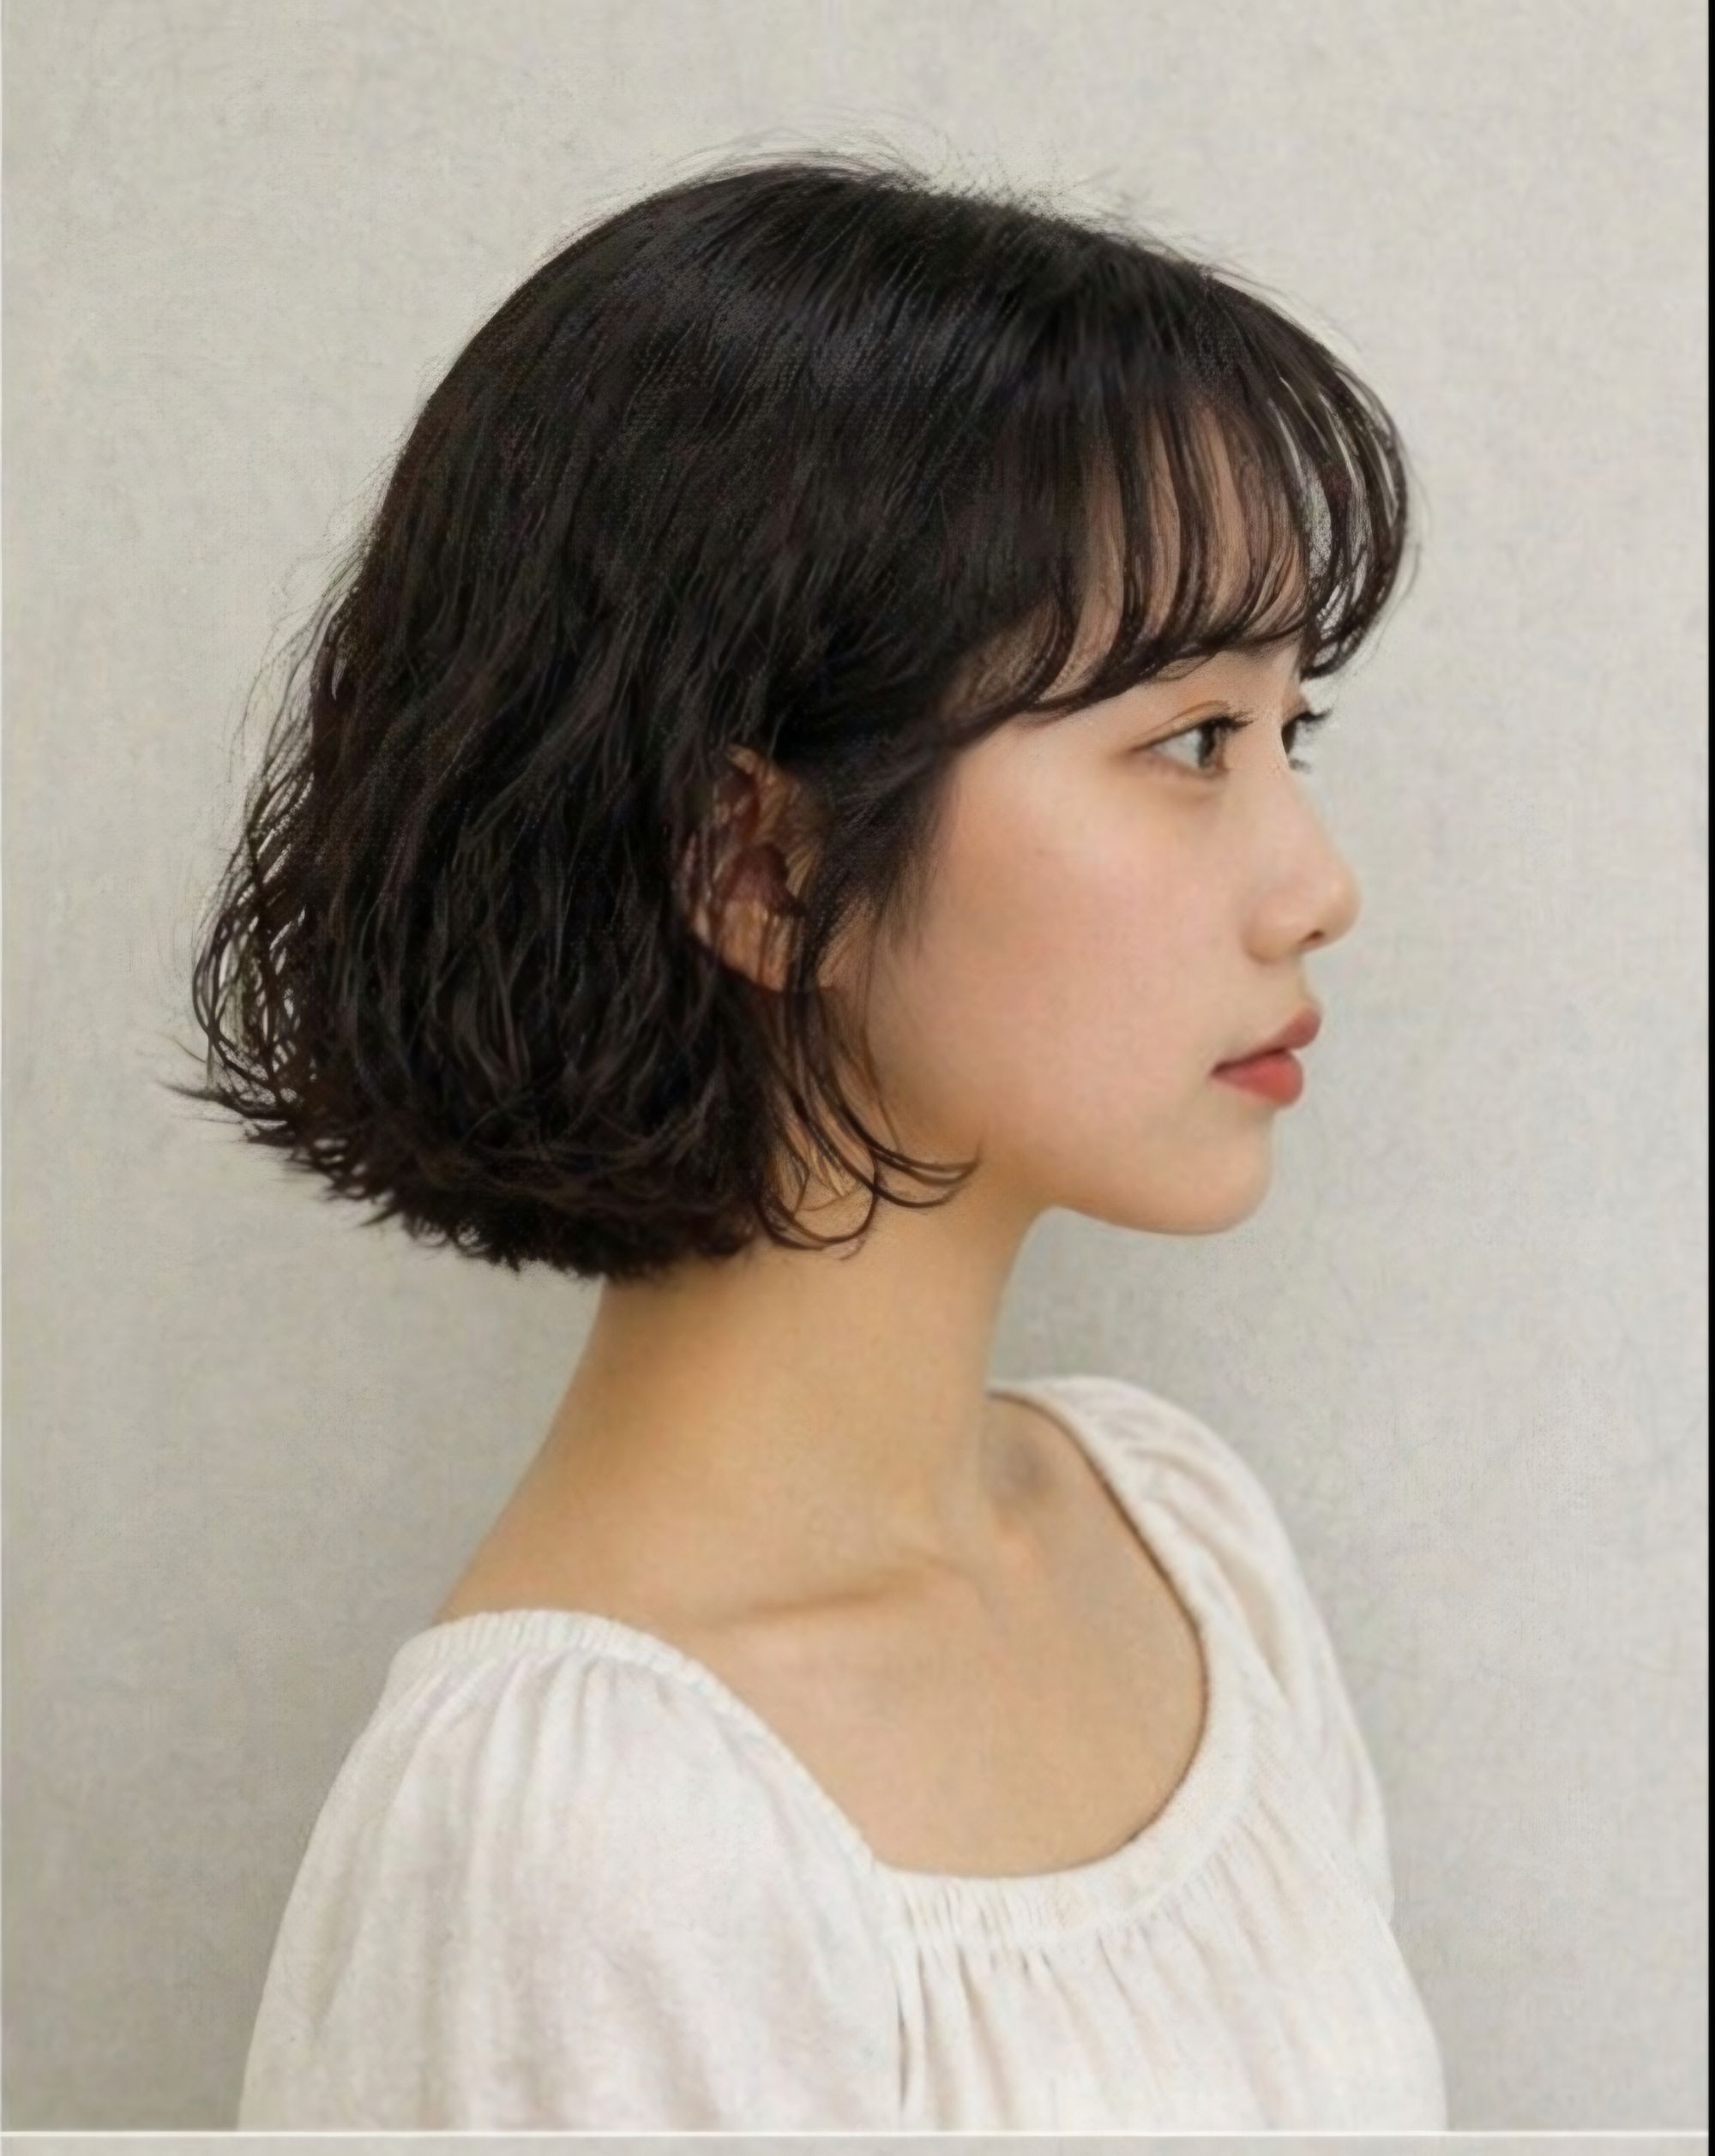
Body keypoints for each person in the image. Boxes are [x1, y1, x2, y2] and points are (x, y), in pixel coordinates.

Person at [171, 147, 1444, 2129]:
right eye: (1191, 740)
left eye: (1296, 733)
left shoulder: (1179, 1539)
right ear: (759, 864)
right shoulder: (581, 1839)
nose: (1317, 886)